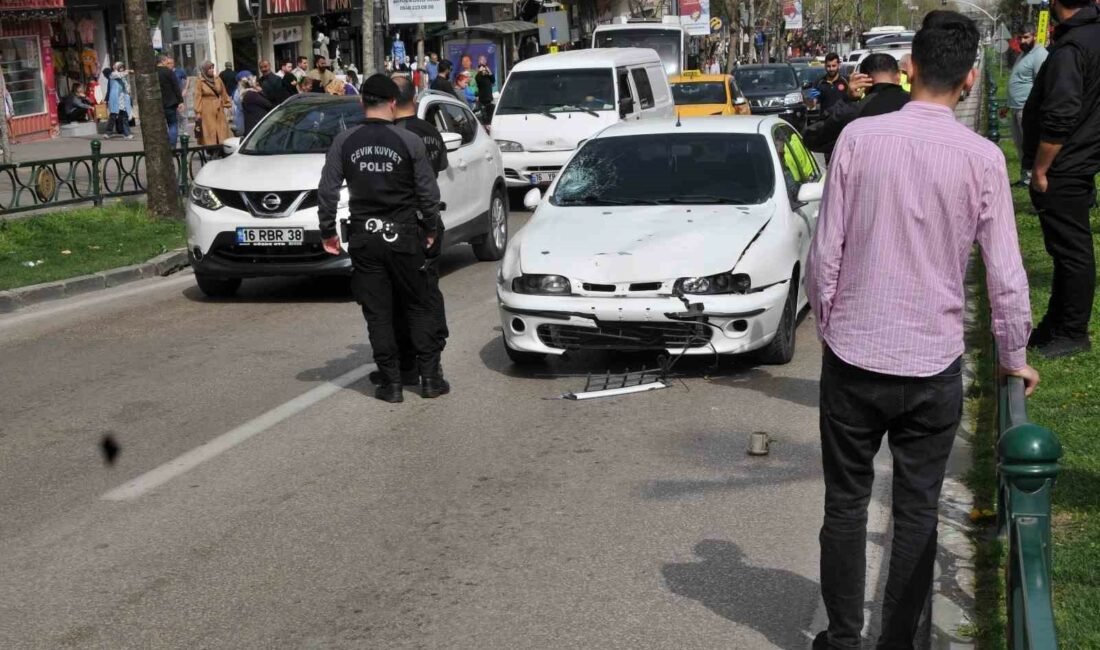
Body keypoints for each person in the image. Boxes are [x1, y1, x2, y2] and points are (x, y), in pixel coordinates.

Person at [807, 12, 1038, 650]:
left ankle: (843, 637)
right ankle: (899, 641)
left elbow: (825, 254)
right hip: (930, 366)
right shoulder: (984, 160)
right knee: (916, 510)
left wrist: (831, 325)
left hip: (854, 357)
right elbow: (1007, 278)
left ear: (909, 66)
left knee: (846, 505)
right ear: (969, 78)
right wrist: (1013, 354)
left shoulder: (858, 140)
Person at [316, 74, 448, 402]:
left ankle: (391, 384)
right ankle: (430, 379)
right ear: (392, 103)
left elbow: (328, 191)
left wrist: (327, 232)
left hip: (365, 239)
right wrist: (431, 229)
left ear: (362, 102)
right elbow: (428, 193)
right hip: (405, 236)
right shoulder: (408, 141)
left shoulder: (344, 141)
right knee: (419, 305)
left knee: (378, 312)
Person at [1022, 0, 1100, 358]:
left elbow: (1060, 115)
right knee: (1065, 251)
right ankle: (1056, 324)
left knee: (1072, 253)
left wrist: (1040, 168)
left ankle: (1072, 331)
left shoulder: (1072, 47)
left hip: (1064, 166)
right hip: (1080, 158)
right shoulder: (1090, 37)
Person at [365, 74, 452, 387]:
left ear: (390, 100)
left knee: (401, 301)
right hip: (428, 221)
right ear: (412, 97)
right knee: (427, 296)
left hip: (402, 225)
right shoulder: (429, 131)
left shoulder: (390, 136)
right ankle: (431, 368)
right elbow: (438, 170)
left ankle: (407, 366)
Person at [803, 54, 910, 163]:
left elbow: (812, 137)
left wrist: (847, 100)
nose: (831, 69)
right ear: (898, 76)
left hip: (837, 120)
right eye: (828, 66)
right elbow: (812, 101)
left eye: (833, 66)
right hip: (833, 124)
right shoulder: (819, 82)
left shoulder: (846, 83)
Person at [1006, 30, 1047, 187]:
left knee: (1029, 144)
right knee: (1020, 144)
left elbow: (1041, 83)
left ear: (1034, 36)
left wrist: (1035, 109)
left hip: (1027, 109)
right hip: (1016, 107)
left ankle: (1032, 178)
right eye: (1020, 37)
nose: (1022, 40)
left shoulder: (1039, 55)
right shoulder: (1024, 54)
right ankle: (1025, 178)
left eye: (1026, 37)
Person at [194, 60, 232, 146]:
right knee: (209, 128)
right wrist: (198, 112)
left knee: (221, 127)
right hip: (206, 107)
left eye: (212, 68)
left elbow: (223, 92)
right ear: (204, 70)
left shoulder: (218, 79)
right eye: (209, 68)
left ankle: (222, 144)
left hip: (218, 106)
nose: (212, 70)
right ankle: (211, 147)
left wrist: (227, 104)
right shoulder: (200, 81)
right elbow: (197, 96)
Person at [156, 55, 184, 147]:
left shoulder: (153, 73)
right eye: (167, 62)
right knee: (172, 124)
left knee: (159, 126)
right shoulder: (169, 72)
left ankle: (161, 146)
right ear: (163, 61)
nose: (168, 63)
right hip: (170, 103)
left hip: (157, 103)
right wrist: (180, 101)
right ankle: (172, 147)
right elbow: (176, 87)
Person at [107, 62, 133, 140]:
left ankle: (127, 134)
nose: (122, 69)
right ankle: (108, 132)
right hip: (115, 99)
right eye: (120, 67)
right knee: (113, 116)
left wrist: (128, 91)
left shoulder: (123, 78)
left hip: (123, 100)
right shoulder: (113, 74)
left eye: (123, 67)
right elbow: (119, 75)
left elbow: (127, 87)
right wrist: (128, 71)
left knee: (125, 116)